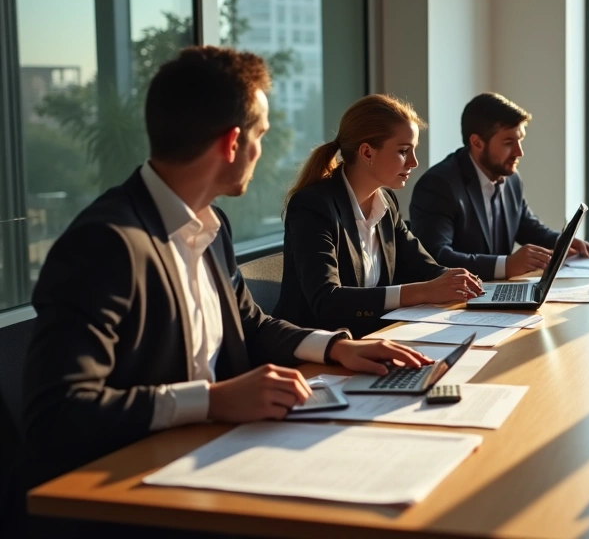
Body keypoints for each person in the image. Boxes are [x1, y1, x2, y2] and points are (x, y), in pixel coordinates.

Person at [16, 47, 431, 535]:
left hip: (210, 462)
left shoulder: (211, 226)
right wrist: (212, 400)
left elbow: (250, 323)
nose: (263, 151)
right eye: (261, 136)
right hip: (117, 500)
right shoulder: (107, 244)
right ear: (233, 142)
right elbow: (58, 414)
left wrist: (338, 346)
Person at [276, 94, 483, 337]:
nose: (414, 162)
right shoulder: (313, 206)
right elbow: (326, 300)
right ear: (367, 153)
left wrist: (452, 278)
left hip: (371, 339)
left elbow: (422, 266)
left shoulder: (386, 202)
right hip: (314, 352)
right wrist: (424, 291)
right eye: (404, 151)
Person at [409, 92, 589, 280]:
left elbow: (527, 227)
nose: (519, 152)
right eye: (508, 142)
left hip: (494, 295)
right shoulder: (438, 185)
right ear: (477, 142)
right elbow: (436, 257)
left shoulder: (511, 178)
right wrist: (505, 265)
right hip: (453, 302)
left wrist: (563, 243)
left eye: (520, 140)